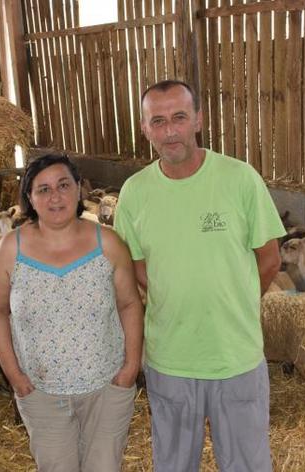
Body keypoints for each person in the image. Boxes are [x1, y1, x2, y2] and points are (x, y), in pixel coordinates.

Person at [114, 79, 285, 472]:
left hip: (235, 358)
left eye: (179, 117)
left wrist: (234, 302)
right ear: (144, 129)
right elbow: (138, 270)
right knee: (173, 465)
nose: (169, 130)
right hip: (170, 360)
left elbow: (270, 259)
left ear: (198, 120)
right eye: (157, 121)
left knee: (247, 464)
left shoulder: (239, 179)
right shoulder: (135, 192)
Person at [0, 154, 144, 472]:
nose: (55, 196)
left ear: (79, 190)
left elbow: (129, 304)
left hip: (106, 387)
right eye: (42, 189)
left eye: (63, 185)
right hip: (41, 392)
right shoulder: (9, 250)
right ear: (29, 198)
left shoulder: (108, 243)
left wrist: (129, 369)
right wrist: (15, 377)